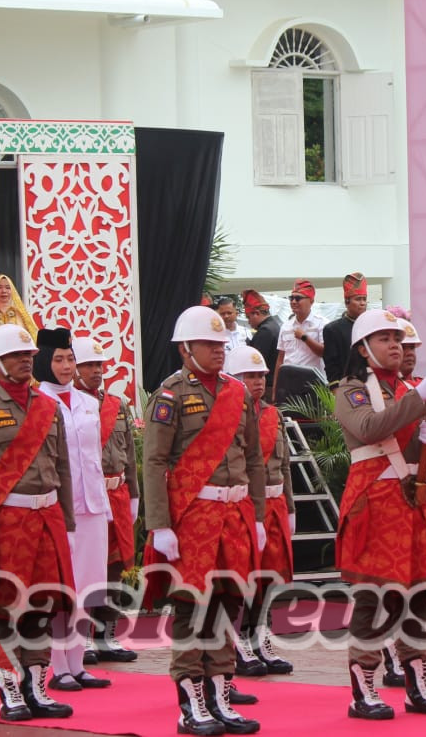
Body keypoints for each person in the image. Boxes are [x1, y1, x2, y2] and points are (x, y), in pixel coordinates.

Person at [142, 305, 266, 735]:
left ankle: (221, 699)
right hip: (193, 516)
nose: (218, 351)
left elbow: (252, 459)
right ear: (185, 349)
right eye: (209, 345)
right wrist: (159, 525)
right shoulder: (170, 395)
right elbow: (154, 462)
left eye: (221, 344)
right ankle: (190, 705)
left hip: (234, 514)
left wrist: (260, 517)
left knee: (228, 605)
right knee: (193, 609)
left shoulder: (237, 393)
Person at [333, 309, 426, 720]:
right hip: (376, 504)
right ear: (363, 347)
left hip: (417, 505)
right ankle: (364, 691)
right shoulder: (351, 389)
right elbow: (370, 427)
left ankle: (418, 686)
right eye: (386, 338)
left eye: (398, 339)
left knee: (420, 596)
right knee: (374, 598)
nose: (395, 345)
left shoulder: (415, 387)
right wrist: (417, 402)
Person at [0, 323, 76, 721]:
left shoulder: (49, 406)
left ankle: (38, 690)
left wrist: (69, 522)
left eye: (28, 354)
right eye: (16, 355)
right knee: (5, 611)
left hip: (47, 519)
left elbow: (62, 466)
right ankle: (10, 693)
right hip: (7, 522)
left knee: (42, 607)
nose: (25, 359)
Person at [35, 328, 114, 693]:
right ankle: (57, 665)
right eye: (59, 359)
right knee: (59, 587)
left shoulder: (88, 403)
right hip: (57, 509)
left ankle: (78, 662)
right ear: (44, 363)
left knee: (88, 586)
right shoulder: (36, 403)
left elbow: (94, 459)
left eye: (70, 359)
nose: (66, 367)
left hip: (92, 506)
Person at [379, 319, 426, 691]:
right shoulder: (375, 392)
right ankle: (394, 659)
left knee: (421, 587)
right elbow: (372, 429)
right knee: (392, 588)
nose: (407, 353)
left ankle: (418, 665)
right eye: (400, 346)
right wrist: (418, 399)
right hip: (389, 501)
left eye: (412, 348)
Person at [225, 345, 295, 679]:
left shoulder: (273, 414)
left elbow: (286, 467)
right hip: (246, 506)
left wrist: (291, 507)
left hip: (275, 503)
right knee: (243, 579)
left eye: (261, 376)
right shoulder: (226, 415)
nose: (257, 382)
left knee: (268, 579)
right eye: (249, 375)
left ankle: (260, 637)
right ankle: (238, 642)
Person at [72, 335, 140, 663]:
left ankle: (106, 636)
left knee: (114, 566)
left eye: (99, 365)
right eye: (88, 365)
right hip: (87, 497)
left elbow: (129, 455)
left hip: (118, 492)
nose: (96, 371)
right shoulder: (69, 404)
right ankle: (80, 635)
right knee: (86, 566)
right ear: (73, 369)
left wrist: (135, 495)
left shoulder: (117, 404)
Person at [271, 279, 325, 402]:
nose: (294, 302)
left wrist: (305, 338)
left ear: (311, 301)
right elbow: (280, 360)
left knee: (312, 419)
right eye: (291, 298)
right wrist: (275, 390)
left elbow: (323, 352)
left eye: (298, 298)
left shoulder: (321, 323)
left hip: (312, 384)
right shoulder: (286, 326)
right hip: (289, 384)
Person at [323, 272, 369, 384]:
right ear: (347, 302)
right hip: (345, 386)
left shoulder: (371, 326)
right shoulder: (333, 329)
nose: (362, 303)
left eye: (364, 299)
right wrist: (335, 389)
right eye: (358, 299)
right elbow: (331, 365)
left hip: (373, 385)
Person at [243, 290, 280, 398]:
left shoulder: (265, 331)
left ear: (256, 313)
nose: (249, 322)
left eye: (248, 317)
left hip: (266, 385)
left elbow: (256, 361)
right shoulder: (275, 326)